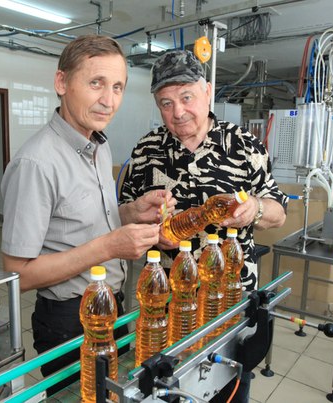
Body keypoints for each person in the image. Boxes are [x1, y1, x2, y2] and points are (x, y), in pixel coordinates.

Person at [1, 34, 175, 396]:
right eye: (96, 83)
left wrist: (131, 213)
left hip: (111, 306)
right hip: (70, 320)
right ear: (61, 82)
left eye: (117, 87)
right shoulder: (35, 163)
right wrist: (109, 247)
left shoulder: (97, 144)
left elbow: (84, 222)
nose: (109, 100)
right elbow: (18, 275)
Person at [119, 49, 288, 403]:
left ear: (207, 92)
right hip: (164, 306)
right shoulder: (145, 151)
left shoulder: (245, 146)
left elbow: (279, 212)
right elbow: (120, 215)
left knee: (228, 389)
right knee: (165, 392)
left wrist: (255, 209)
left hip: (229, 304)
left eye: (186, 97)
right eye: (166, 103)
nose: (178, 112)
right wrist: (139, 216)